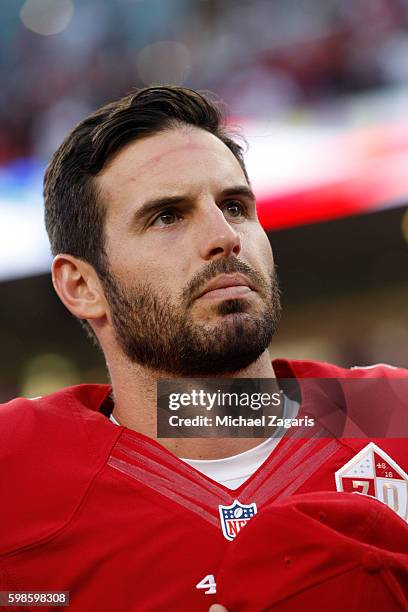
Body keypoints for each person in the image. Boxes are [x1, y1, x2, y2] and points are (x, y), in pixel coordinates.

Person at [0, 86, 407, 611]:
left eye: (235, 206)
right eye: (167, 216)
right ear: (82, 286)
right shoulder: (18, 474)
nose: (224, 236)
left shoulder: (392, 414)